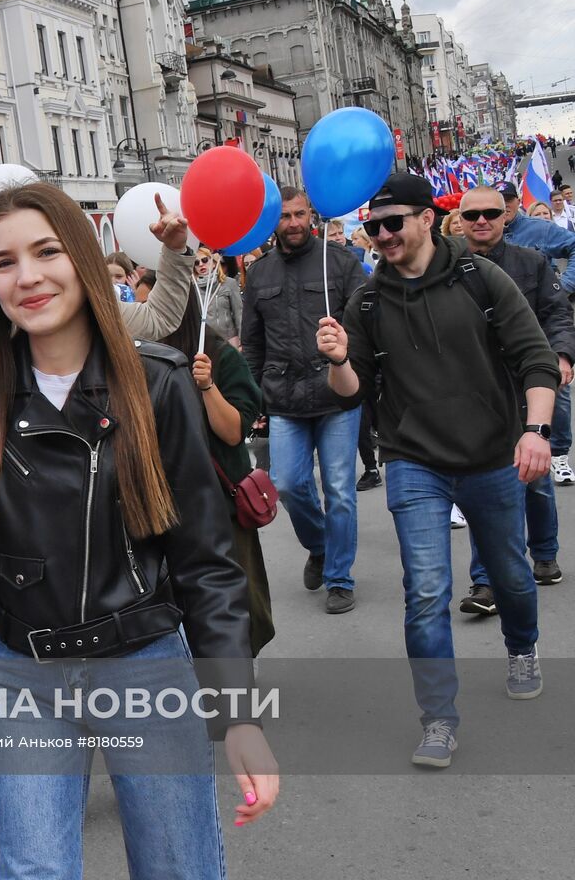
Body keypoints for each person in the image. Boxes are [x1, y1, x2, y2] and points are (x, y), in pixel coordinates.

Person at [0, 182, 278, 878]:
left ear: (81, 258)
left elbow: (207, 564)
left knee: (177, 866)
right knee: (32, 870)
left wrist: (240, 714)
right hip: (22, 672)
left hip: (144, 661)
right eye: (4, 262)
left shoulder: (158, 385)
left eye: (46, 252)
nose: (28, 277)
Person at [317, 174, 554, 768]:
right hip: (413, 461)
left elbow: (535, 357)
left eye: (392, 223)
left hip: (492, 456)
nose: (381, 236)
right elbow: (352, 393)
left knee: (509, 574)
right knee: (425, 592)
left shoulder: (481, 278)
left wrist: (535, 431)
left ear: (427, 219)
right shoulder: (367, 302)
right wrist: (340, 360)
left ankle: (521, 646)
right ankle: (438, 719)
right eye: (372, 228)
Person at [240, 186, 369, 614]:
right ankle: (319, 546)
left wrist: (357, 371)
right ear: (274, 221)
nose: (293, 223)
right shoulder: (258, 274)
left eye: (300, 215)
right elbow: (253, 345)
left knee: (339, 490)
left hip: (335, 394)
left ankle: (339, 577)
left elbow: (367, 324)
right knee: (289, 485)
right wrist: (256, 398)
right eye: (285, 216)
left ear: (311, 215)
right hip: (283, 398)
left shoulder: (341, 262)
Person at [454, 186, 573, 614]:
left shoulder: (531, 262)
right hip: (471, 391)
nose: (482, 221)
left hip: (526, 384)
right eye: (472, 215)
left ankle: (543, 550)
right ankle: (485, 583)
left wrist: (560, 356)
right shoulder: (445, 267)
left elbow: (557, 313)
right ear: (460, 221)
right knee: (480, 485)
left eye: (491, 213)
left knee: (533, 480)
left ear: (506, 217)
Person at [156, 288, 274, 656]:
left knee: (236, 592)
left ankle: (240, 666)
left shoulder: (221, 357)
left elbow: (234, 431)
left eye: (158, 308)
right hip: (168, 501)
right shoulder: (146, 361)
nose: (149, 320)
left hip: (219, 499)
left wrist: (206, 386)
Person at [499, 182, 575, 268]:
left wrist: (566, 281)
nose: (504, 205)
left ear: (518, 202)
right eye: (498, 201)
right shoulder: (483, 233)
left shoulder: (542, 228)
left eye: (508, 200)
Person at [194, 248, 243, 347]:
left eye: (204, 260)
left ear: (214, 263)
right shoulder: (193, 289)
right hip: (206, 343)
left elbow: (239, 314)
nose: (200, 264)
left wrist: (242, 342)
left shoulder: (229, 283)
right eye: (196, 262)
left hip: (230, 341)